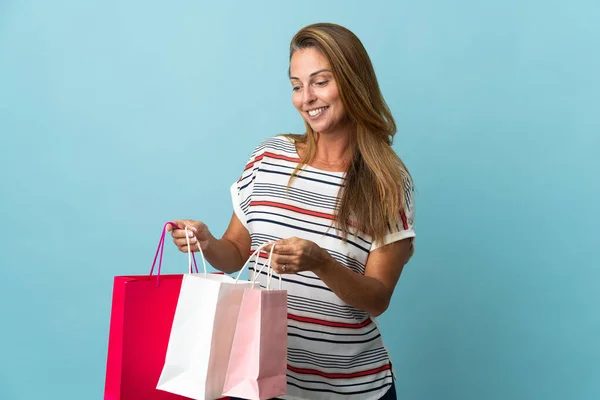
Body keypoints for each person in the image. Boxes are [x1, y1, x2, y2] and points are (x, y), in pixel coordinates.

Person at [167, 22, 415, 400]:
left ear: (352, 81)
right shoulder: (269, 156)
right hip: (261, 384)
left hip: (352, 390)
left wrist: (321, 262)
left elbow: (378, 298)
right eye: (297, 86)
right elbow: (236, 253)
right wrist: (206, 242)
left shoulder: (387, 181)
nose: (306, 98)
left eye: (320, 81)